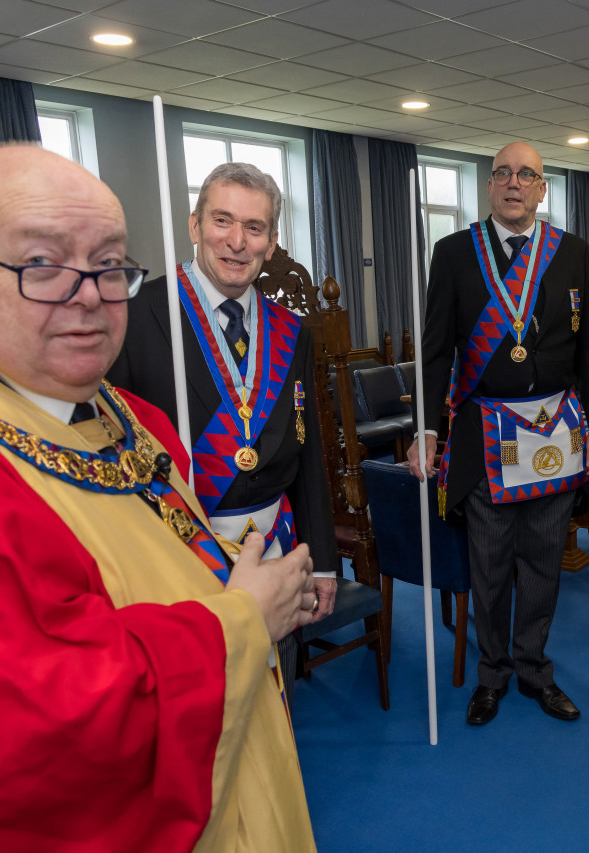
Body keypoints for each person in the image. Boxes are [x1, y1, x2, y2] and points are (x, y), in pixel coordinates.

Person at [0, 144, 318, 852]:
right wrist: (244, 621)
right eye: (42, 264)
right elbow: (27, 739)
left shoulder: (124, 414)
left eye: (109, 264)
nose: (89, 294)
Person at [108, 162, 338, 689]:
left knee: (276, 704)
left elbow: (307, 453)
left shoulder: (293, 332)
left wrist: (323, 561)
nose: (237, 242)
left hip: (274, 559)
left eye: (254, 228)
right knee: (201, 711)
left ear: (271, 243)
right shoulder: (136, 314)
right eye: (222, 221)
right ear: (194, 226)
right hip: (178, 564)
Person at [408, 141, 589, 727]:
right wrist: (427, 428)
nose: (514, 183)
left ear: (542, 189)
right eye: (503, 174)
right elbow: (435, 351)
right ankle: (492, 673)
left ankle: (534, 669)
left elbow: (587, 348)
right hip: (484, 435)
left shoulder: (571, 251)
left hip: (553, 434)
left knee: (544, 561)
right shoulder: (453, 253)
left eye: (526, 175)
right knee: (491, 565)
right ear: (490, 186)